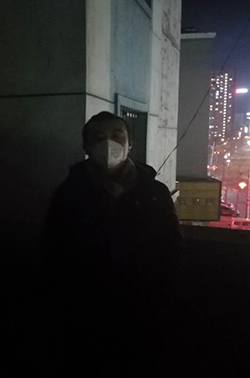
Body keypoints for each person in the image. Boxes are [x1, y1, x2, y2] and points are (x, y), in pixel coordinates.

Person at [41, 111, 184, 375]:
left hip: (144, 307)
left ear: (130, 144)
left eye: (118, 136)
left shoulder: (155, 192)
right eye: (98, 137)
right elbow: (53, 251)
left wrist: (164, 298)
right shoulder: (68, 193)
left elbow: (172, 247)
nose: (109, 143)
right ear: (86, 147)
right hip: (85, 311)